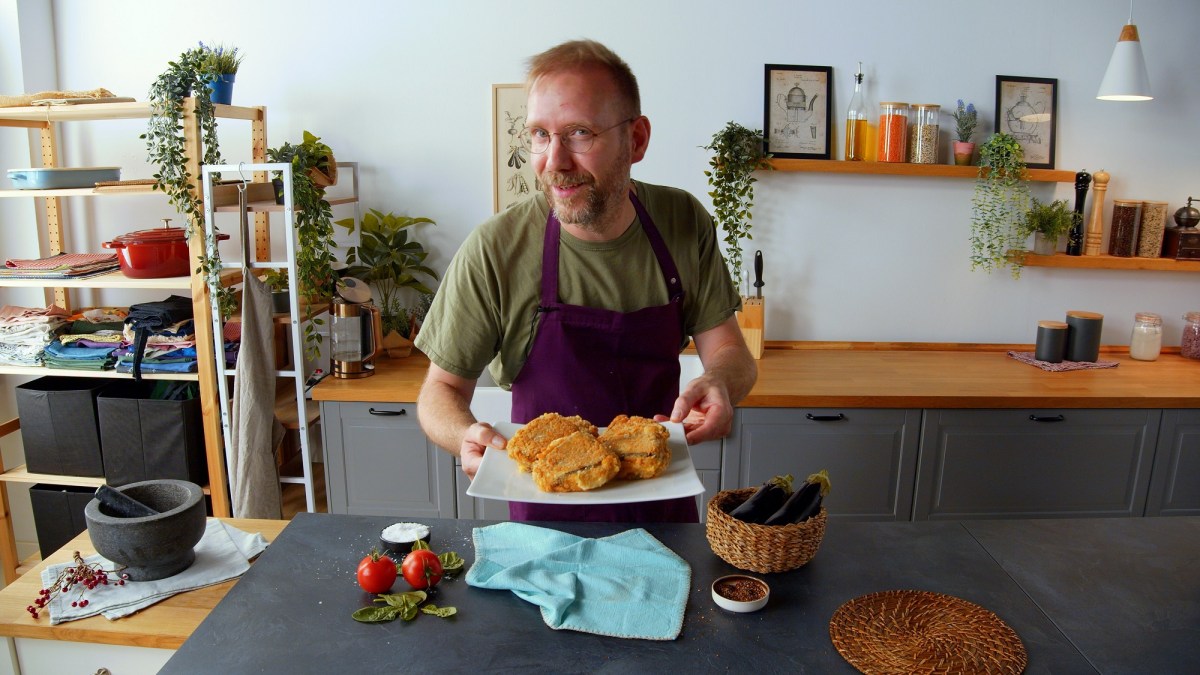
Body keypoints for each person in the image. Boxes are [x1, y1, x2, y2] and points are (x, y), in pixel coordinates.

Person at [415, 39, 757, 523]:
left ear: (636, 140)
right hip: (544, 522)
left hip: (661, 507)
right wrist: (464, 434)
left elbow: (730, 354)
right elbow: (439, 392)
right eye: (539, 134)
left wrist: (720, 381)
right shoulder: (496, 248)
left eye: (578, 133)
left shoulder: (683, 221)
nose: (553, 162)